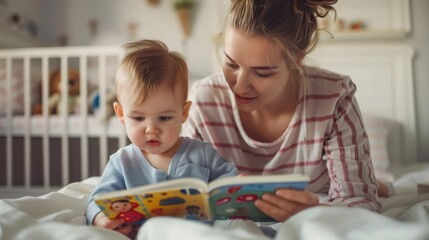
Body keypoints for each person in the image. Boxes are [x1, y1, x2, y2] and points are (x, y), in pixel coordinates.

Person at [182, 0, 382, 223]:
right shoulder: (202, 100)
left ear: (297, 59)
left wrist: (313, 212)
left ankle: (382, 183)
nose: (239, 87)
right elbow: (187, 194)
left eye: (262, 73)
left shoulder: (334, 98)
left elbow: (360, 202)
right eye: (231, 64)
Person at [85, 39, 237, 237]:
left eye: (164, 118)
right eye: (138, 118)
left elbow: (228, 182)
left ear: (184, 113)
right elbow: (97, 200)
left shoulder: (202, 153)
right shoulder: (122, 162)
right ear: (121, 113)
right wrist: (100, 217)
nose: (152, 129)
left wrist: (234, 187)